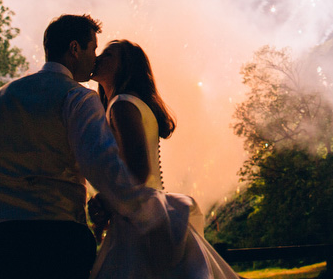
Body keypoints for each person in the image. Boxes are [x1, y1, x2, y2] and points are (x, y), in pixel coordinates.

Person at [0, 14, 162, 279]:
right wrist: (147, 211)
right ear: (75, 49)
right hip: (56, 243)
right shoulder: (77, 97)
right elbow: (101, 163)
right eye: (93, 48)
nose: (95, 58)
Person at [89, 39, 239, 279]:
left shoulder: (122, 104)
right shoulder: (130, 102)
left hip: (139, 221)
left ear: (125, 66)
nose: (97, 59)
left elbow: (137, 170)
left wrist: (107, 202)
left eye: (107, 55)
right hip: (149, 212)